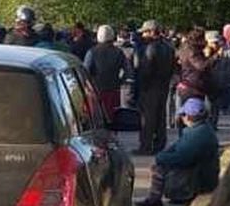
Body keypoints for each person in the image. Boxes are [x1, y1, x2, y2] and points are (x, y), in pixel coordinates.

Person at [137, 98, 219, 206]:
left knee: (159, 167)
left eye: (183, 114)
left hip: (200, 181)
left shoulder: (197, 135)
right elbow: (176, 147)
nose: (182, 117)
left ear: (189, 116)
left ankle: (158, 198)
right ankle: (159, 198)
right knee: (162, 162)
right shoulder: (199, 129)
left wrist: (160, 157)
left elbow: (182, 158)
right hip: (202, 174)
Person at [135, 20, 175, 155]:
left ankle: (145, 146)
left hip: (150, 86)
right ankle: (160, 144)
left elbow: (146, 69)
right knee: (160, 117)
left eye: (145, 32)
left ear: (152, 32)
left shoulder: (150, 48)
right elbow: (172, 68)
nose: (143, 35)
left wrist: (141, 85)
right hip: (163, 85)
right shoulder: (168, 47)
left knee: (148, 118)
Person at [85, 25, 129, 122]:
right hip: (113, 90)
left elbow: (85, 73)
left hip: (96, 91)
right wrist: (120, 82)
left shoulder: (92, 52)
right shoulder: (118, 52)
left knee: (96, 120)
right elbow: (128, 71)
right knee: (112, 120)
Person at [176, 28, 213, 134]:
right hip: (192, 87)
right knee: (193, 116)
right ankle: (188, 140)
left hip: (188, 84)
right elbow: (201, 66)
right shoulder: (192, 50)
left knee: (186, 115)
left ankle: (184, 139)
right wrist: (213, 57)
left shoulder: (185, 48)